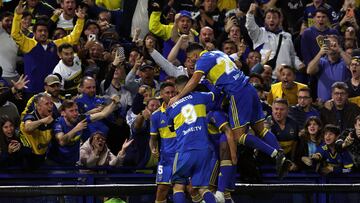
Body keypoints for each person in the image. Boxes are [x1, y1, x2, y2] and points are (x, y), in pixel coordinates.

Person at [169, 43, 289, 178]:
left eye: (191, 58)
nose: (191, 62)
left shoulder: (203, 60)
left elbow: (194, 80)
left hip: (238, 93)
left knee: (239, 137)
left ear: (196, 55)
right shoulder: (219, 53)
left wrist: (178, 97)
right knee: (260, 129)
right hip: (249, 88)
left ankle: (275, 153)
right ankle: (282, 156)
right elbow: (237, 65)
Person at [11, 0, 85, 97]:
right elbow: (15, 34)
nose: (43, 33)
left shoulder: (54, 44)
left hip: (52, 90)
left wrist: (80, 20)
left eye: (45, 31)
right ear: (34, 32)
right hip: (32, 90)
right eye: (40, 31)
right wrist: (17, 15)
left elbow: (73, 38)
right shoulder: (28, 44)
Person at [166, 76, 216, 203]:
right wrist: (207, 83)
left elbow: (171, 128)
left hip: (185, 149)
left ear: (176, 88)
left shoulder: (171, 107)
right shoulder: (201, 96)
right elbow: (216, 94)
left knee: (178, 187)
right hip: (204, 148)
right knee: (203, 189)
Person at [47, 97, 119, 166]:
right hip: (56, 163)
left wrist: (114, 102)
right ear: (63, 113)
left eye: (76, 110)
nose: (75, 113)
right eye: (71, 111)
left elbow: (103, 114)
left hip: (72, 163)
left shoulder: (80, 119)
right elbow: (62, 141)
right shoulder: (58, 123)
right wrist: (76, 129)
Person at [245, 3, 304, 71]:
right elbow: (250, 26)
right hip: (266, 76)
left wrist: (299, 65)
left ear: (279, 20)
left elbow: (292, 56)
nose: (271, 20)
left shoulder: (287, 36)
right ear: (264, 20)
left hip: (284, 76)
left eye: (275, 17)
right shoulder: (259, 33)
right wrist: (250, 14)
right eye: (268, 17)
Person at [149, 82, 177, 203]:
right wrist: (153, 149)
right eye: (168, 92)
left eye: (173, 92)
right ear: (161, 95)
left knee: (189, 189)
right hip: (166, 159)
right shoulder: (156, 116)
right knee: (161, 190)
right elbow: (153, 139)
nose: (171, 95)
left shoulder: (182, 110)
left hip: (182, 156)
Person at [307, 35, 351, 101]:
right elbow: (309, 71)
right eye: (328, 44)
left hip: (342, 103)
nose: (331, 46)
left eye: (333, 43)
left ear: (339, 45)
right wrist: (320, 53)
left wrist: (340, 50)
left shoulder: (344, 61)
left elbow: (352, 65)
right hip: (324, 105)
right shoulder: (321, 61)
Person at [206, 110, 237, 203]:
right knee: (224, 192)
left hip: (219, 155)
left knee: (211, 189)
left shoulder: (216, 114)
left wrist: (233, 154)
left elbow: (228, 132)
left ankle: (220, 193)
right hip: (212, 153)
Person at [20, 93, 55, 168]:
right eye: (47, 104)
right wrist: (42, 121)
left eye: (51, 103)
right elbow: (28, 128)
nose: (50, 106)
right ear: (38, 107)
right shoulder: (30, 116)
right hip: (27, 160)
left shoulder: (53, 117)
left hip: (42, 157)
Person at [270, 98, 300, 164]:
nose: (278, 112)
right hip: (269, 161)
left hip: (288, 161)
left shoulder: (294, 125)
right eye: (276, 109)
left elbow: (295, 145)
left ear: (287, 111)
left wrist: (293, 161)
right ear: (272, 110)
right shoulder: (265, 125)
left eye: (282, 109)